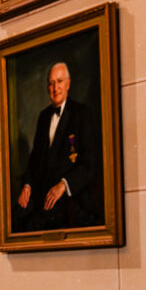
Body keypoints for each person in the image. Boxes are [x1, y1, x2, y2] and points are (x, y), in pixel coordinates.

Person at [15, 61, 99, 232]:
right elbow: (35, 159)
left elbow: (90, 164)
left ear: (68, 84)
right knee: (16, 220)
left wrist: (63, 185)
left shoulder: (81, 114)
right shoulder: (44, 116)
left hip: (72, 199)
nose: (55, 88)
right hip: (42, 196)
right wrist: (27, 185)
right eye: (51, 83)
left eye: (60, 82)